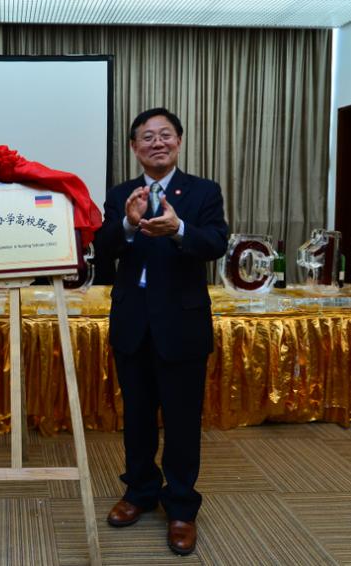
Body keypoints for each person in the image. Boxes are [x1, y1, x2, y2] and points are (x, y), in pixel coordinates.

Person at [95, 107, 228, 555]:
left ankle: (182, 507)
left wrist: (180, 229)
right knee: (136, 416)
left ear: (179, 142)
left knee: (183, 420)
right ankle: (139, 492)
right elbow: (102, 246)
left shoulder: (203, 191)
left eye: (165, 135)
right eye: (147, 137)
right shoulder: (121, 194)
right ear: (134, 147)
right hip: (133, 321)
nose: (157, 143)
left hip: (181, 323)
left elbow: (216, 243)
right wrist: (128, 224)